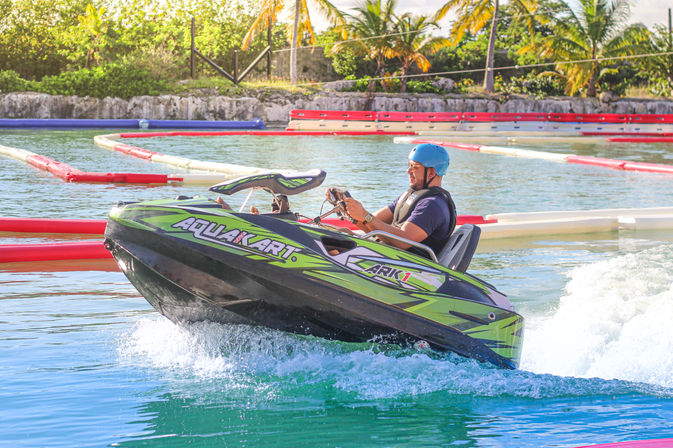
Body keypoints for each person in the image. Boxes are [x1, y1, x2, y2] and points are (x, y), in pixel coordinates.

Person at [339, 143, 456, 255]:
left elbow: (402, 242)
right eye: (409, 166)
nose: (408, 171)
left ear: (431, 172)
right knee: (335, 238)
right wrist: (348, 210)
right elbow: (370, 225)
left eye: (414, 167)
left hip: (405, 266)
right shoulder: (411, 196)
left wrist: (365, 216)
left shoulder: (432, 205)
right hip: (387, 254)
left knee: (330, 249)